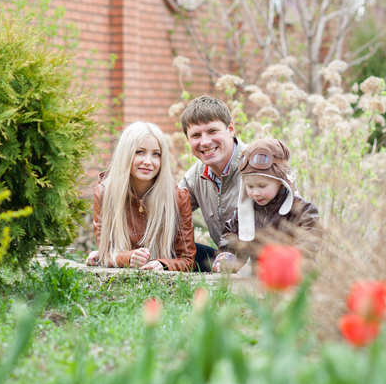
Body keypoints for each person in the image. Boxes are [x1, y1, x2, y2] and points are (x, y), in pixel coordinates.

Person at [86, 121, 196, 272]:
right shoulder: (105, 193)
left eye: (156, 154)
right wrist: (127, 258)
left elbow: (188, 260)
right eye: (140, 152)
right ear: (126, 154)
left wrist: (163, 264)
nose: (148, 162)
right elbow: (106, 252)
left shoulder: (178, 197)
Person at [212, 137, 321, 272]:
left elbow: (309, 241)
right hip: (262, 278)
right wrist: (228, 255)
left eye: (262, 186)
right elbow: (232, 237)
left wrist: (291, 261)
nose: (256, 193)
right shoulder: (246, 212)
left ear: (281, 181)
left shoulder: (302, 210)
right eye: (250, 186)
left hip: (297, 276)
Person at [177, 96, 246, 272]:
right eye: (196, 135)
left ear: (230, 129)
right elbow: (167, 212)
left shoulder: (259, 165)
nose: (205, 142)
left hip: (267, 268)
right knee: (171, 248)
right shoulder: (196, 174)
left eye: (212, 131)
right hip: (226, 262)